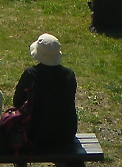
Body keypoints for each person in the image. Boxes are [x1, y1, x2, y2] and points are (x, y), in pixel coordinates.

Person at [13, 34, 80, 164]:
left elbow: (17, 102)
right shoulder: (68, 75)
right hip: (65, 132)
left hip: (35, 134)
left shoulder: (31, 74)